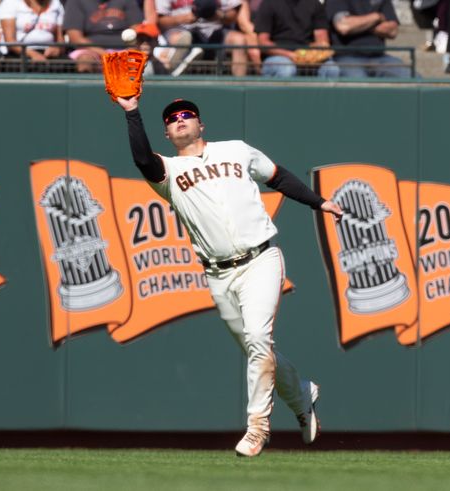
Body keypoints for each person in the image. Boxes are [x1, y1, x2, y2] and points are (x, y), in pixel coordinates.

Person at [115, 95, 343, 457]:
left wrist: (319, 202)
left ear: (201, 124)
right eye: (172, 119)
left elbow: (277, 176)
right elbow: (142, 158)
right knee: (257, 348)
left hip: (261, 259)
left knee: (257, 338)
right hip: (218, 275)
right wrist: (131, 113)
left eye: (187, 114)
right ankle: (302, 394)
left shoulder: (236, 150)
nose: (180, 120)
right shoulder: (169, 173)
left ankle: (257, 428)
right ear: (167, 133)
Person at [155, 0, 248, 76]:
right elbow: (159, 20)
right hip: (180, 30)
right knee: (183, 38)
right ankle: (171, 75)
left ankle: (238, 84)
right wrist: (181, 19)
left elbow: (233, 13)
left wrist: (221, 16)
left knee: (239, 40)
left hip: (214, 31)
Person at [326, 0, 412, 78]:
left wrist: (359, 25)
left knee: (414, 79)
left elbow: (392, 31)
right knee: (359, 86)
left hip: (379, 57)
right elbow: (343, 26)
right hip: (346, 57)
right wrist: (376, 17)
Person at [254, 0, 338, 78]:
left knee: (331, 69)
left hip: (307, 56)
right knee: (287, 69)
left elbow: (322, 41)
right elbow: (263, 43)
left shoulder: (315, 4)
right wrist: (290, 55)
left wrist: (310, 55)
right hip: (277, 56)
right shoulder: (269, 3)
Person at [63, 0, 143, 73]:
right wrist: (106, 54)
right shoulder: (75, 1)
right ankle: (85, 88)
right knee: (84, 61)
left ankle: (128, 88)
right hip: (91, 50)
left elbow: (137, 29)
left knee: (133, 61)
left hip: (123, 49)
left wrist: (130, 49)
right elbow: (75, 38)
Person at [0, 0, 64, 72]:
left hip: (47, 53)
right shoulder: (10, 3)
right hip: (20, 53)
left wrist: (57, 49)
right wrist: (33, 54)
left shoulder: (56, 3)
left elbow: (60, 40)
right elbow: (10, 42)